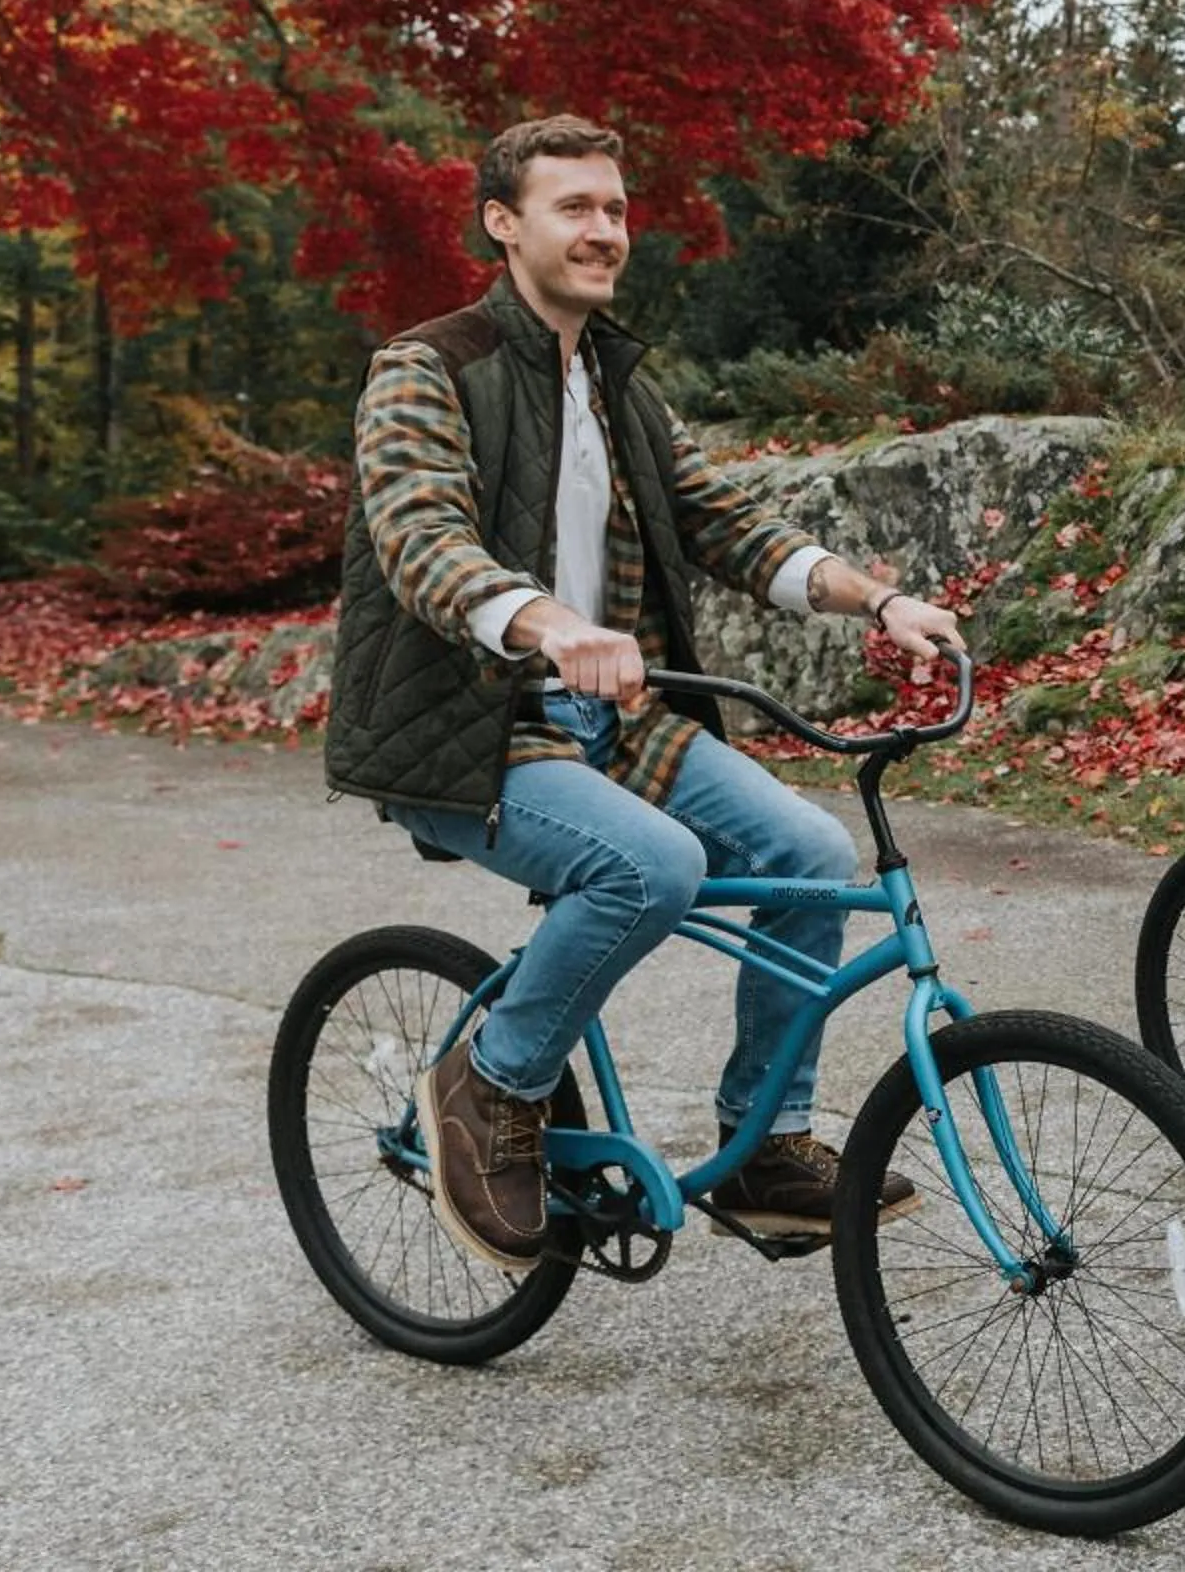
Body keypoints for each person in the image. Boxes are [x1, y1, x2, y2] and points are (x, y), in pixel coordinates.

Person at [324, 114, 965, 1273]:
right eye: (574, 207)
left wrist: (875, 600)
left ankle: (767, 1146)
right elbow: (424, 540)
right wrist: (553, 623)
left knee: (812, 853)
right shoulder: (427, 366)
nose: (604, 229)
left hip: (613, 721)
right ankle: (490, 1085)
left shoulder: (617, 381)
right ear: (504, 224)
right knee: (650, 866)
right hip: (474, 728)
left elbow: (725, 520)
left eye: (616, 208)